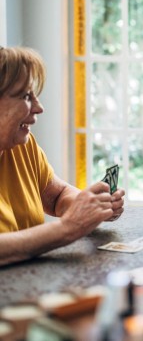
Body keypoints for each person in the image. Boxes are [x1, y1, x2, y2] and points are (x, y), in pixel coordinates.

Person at [0, 46, 125, 266]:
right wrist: (66, 228)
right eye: (26, 96)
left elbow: (57, 197)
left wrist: (91, 207)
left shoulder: (22, 146)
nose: (39, 108)